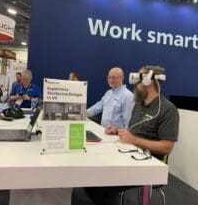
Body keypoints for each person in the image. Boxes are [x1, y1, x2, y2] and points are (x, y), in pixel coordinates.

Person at [72, 65, 179, 205]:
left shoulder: (167, 110)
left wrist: (134, 139)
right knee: (91, 179)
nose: (134, 84)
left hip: (146, 164)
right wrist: (117, 130)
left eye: (138, 80)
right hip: (127, 155)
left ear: (149, 81)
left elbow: (166, 147)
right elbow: (132, 130)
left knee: (99, 187)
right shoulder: (139, 105)